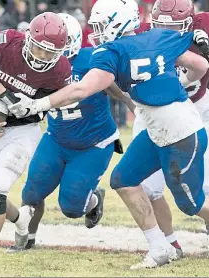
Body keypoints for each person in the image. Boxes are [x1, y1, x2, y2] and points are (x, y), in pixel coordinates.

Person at [3, 0, 209, 269]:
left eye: (99, 26)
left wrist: (37, 103)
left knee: (193, 203)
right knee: (123, 179)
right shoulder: (158, 38)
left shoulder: (113, 52)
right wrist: (184, 80)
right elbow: (202, 65)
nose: (95, 34)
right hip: (161, 129)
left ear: (115, 24)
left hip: (181, 134)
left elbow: (82, 89)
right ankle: (159, 247)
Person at [7, 13, 133, 252]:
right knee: (32, 191)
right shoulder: (33, 63)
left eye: (51, 47)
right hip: (56, 138)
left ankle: (94, 199)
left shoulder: (89, 59)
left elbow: (112, 85)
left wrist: (129, 102)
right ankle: (27, 237)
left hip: (93, 143)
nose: (43, 54)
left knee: (72, 207)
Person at [0, 12, 72, 276]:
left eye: (51, 53)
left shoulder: (60, 71)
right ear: (28, 40)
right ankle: (19, 218)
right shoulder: (8, 44)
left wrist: (6, 94)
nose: (44, 57)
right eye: (39, 48)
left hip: (24, 132)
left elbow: (35, 111)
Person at [134, 0, 209, 256]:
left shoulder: (203, 27)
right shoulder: (144, 35)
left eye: (172, 26)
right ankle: (169, 242)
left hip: (195, 108)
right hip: (157, 111)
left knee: (204, 190)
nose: (165, 31)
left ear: (188, 24)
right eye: (161, 24)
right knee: (149, 188)